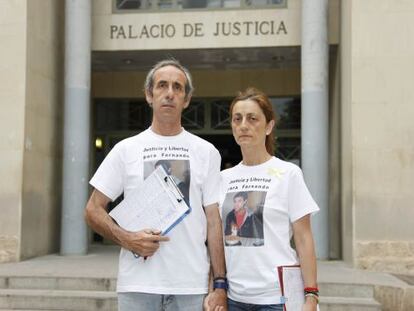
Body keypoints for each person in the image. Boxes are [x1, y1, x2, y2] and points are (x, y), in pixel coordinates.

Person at [84, 59, 227, 311]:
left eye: (177, 87)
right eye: (162, 86)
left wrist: (220, 284)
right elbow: (93, 209)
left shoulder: (206, 152)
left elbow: (214, 222)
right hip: (138, 285)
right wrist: (128, 239)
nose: (169, 93)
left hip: (190, 286)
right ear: (149, 95)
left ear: (187, 99)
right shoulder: (126, 150)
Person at [218, 88, 320, 311]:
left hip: (277, 297)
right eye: (237, 119)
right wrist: (217, 287)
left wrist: (311, 295)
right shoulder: (222, 179)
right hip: (235, 298)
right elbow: (216, 240)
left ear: (269, 126)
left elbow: (303, 238)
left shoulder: (288, 174)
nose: (244, 125)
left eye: (252, 118)